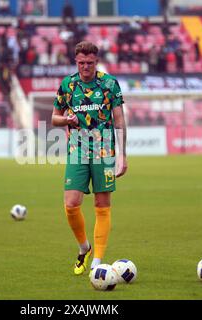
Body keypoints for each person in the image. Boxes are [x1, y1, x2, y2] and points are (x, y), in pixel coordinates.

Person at [51, 41, 128, 275]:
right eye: (82, 63)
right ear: (76, 61)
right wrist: (66, 120)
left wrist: (122, 155)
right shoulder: (68, 84)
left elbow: (119, 120)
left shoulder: (109, 84)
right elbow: (54, 117)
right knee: (71, 204)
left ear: (97, 61)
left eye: (90, 63)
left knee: (101, 204)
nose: (86, 67)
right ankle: (84, 247)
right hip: (78, 150)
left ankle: (97, 262)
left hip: (105, 150)